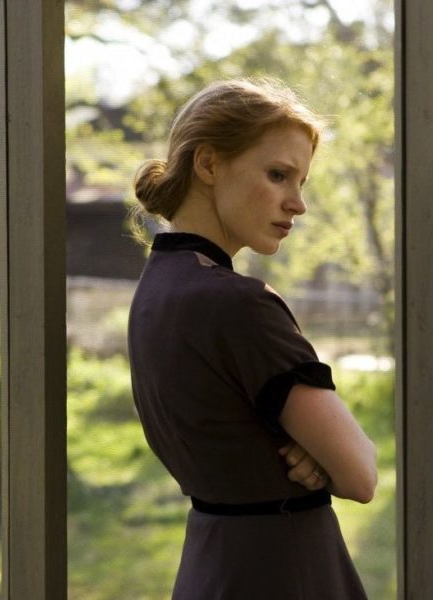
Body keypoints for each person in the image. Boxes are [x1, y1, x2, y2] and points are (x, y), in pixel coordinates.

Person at [127, 78, 377, 600]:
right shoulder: (240, 304)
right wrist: (322, 460)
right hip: (282, 571)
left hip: (209, 567)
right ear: (208, 164)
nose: (298, 204)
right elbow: (360, 475)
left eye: (301, 182)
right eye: (278, 175)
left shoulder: (156, 290)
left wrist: (317, 458)